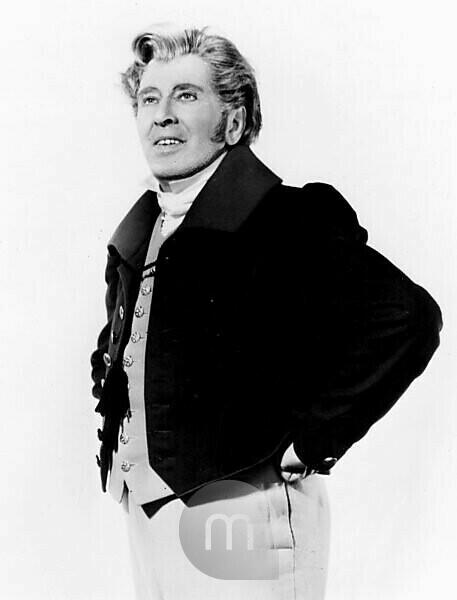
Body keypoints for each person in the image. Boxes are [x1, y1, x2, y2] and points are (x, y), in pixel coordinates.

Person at [90, 25, 443, 599]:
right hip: (146, 512)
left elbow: (408, 318)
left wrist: (312, 441)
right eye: (149, 99)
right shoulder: (142, 232)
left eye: (186, 95)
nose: (162, 115)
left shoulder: (285, 218)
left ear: (233, 122)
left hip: (245, 508)